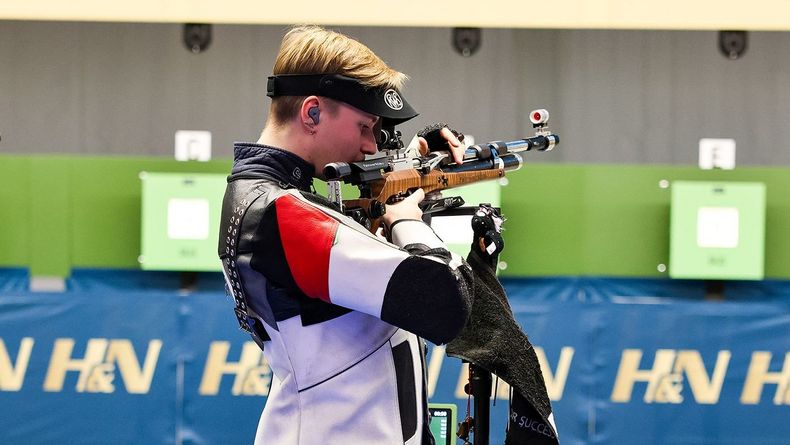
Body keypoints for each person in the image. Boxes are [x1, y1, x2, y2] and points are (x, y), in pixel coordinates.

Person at [218, 25, 474, 445]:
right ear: (312, 113)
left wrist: (408, 165)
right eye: (364, 127)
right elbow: (444, 303)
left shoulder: (273, 200)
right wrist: (406, 219)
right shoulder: (281, 215)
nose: (372, 146)